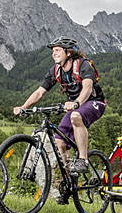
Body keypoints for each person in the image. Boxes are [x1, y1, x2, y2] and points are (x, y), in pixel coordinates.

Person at [13, 36, 107, 204]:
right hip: (74, 106)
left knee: (76, 116)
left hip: (94, 103)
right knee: (59, 142)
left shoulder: (83, 65)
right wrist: (23, 106)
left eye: (57, 50)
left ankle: (83, 160)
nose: (53, 54)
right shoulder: (56, 71)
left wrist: (77, 102)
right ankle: (70, 180)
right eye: (53, 51)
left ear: (68, 51)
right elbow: (39, 92)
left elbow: (87, 87)